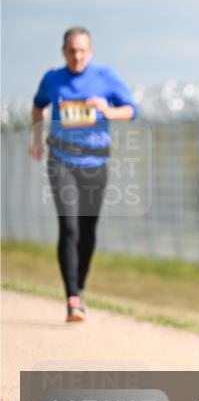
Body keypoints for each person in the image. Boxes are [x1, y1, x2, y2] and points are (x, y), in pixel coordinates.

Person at [29, 27, 138, 323]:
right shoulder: (53, 79)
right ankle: (72, 299)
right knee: (69, 227)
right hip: (61, 160)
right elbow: (38, 106)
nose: (76, 56)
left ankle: (80, 284)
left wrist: (106, 110)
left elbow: (131, 111)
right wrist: (37, 140)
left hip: (95, 162)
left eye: (82, 50)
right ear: (63, 52)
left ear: (90, 52)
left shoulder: (105, 77)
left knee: (88, 230)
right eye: (71, 50)